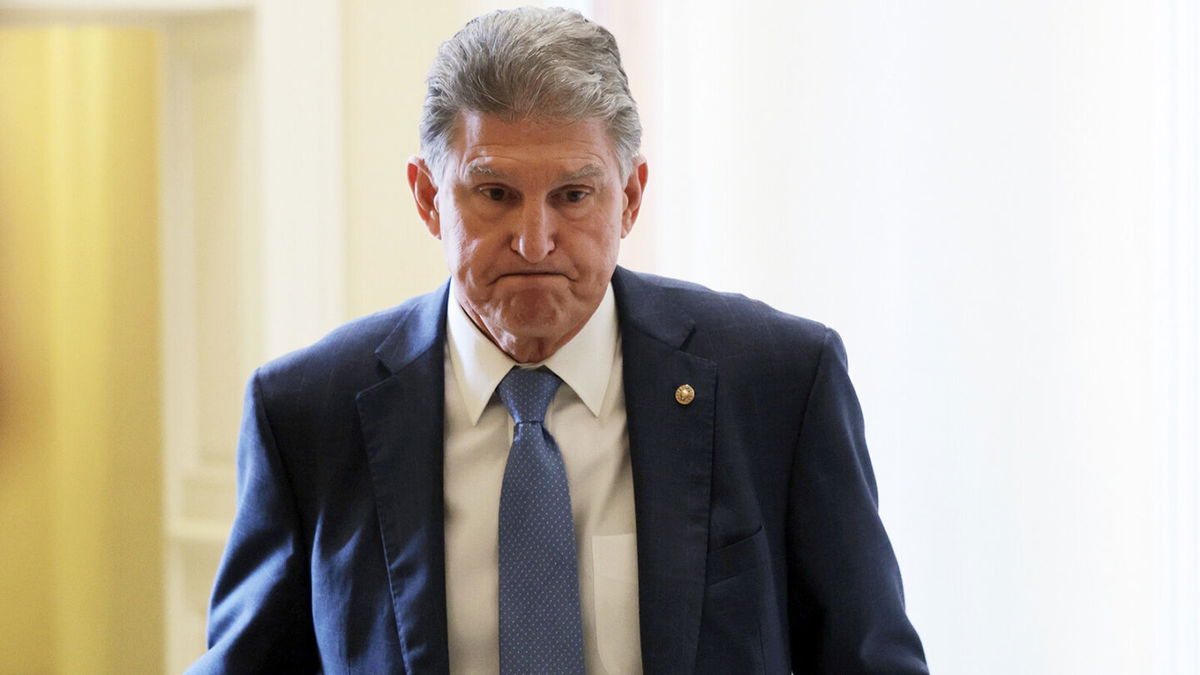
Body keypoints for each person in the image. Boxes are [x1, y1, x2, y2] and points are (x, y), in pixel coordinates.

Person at [189, 7, 927, 674]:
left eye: (573, 195)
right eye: (495, 193)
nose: (534, 239)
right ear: (427, 196)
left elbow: (870, 658)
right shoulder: (307, 413)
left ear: (630, 196)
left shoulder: (778, 382)